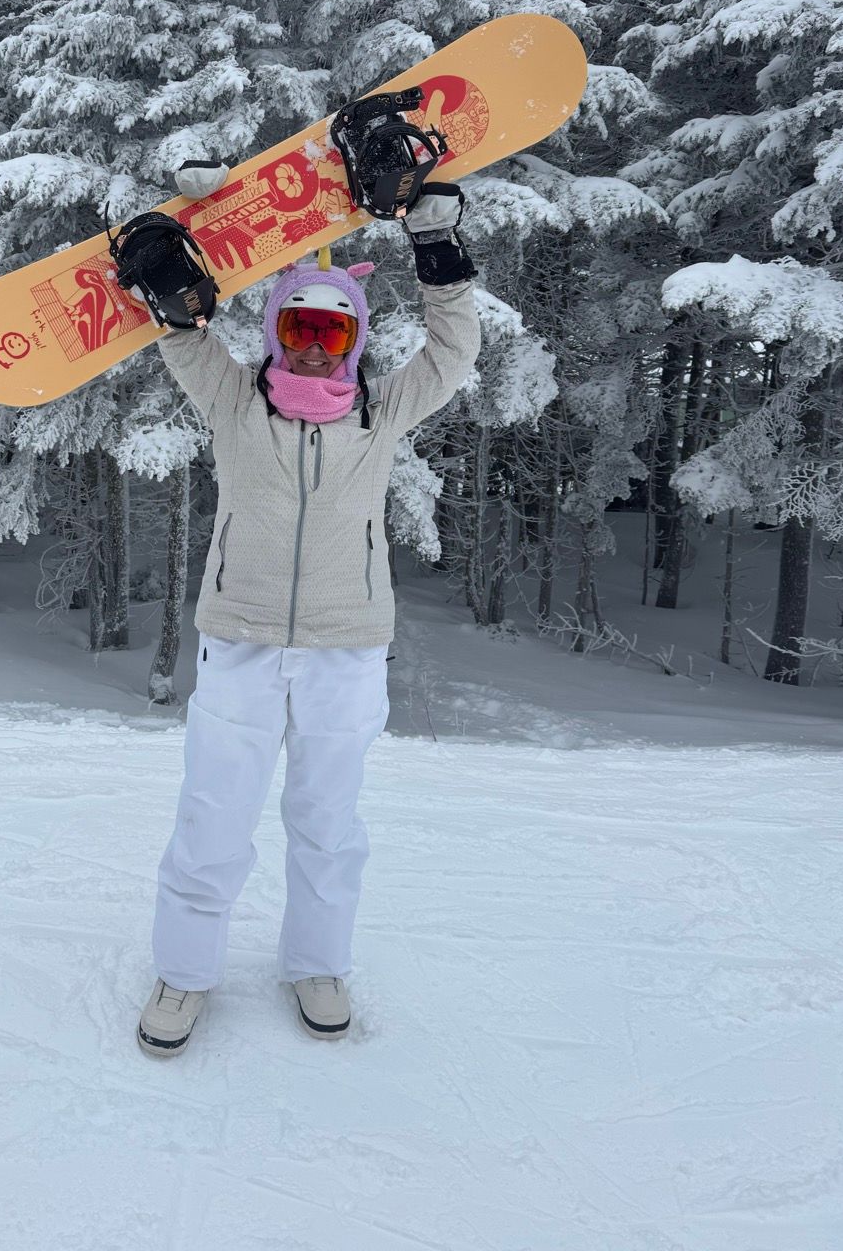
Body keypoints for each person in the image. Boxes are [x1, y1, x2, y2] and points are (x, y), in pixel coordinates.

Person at [136, 180, 481, 1056]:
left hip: (346, 650)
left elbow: (451, 355)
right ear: (275, 331)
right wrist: (175, 276)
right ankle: (184, 972)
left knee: (328, 824)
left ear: (354, 338)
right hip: (239, 642)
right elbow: (182, 336)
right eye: (300, 328)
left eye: (332, 332)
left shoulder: (381, 411)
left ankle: (318, 966)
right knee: (213, 817)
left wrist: (438, 252)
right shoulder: (233, 399)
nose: (315, 348)